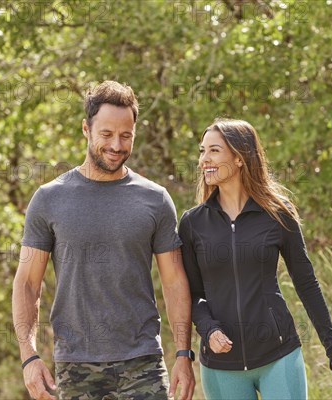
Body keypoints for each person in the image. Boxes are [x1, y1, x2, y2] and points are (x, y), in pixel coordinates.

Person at [12, 80, 196, 400]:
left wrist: (183, 354)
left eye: (126, 136)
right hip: (75, 364)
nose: (116, 145)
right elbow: (28, 282)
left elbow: (175, 281)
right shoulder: (49, 199)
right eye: (106, 134)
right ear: (86, 129)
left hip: (143, 363)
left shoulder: (155, 200)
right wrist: (28, 356)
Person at [178, 118, 332, 399]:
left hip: (278, 354)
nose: (203, 160)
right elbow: (193, 294)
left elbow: (307, 285)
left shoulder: (277, 215)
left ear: (239, 158)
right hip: (222, 364)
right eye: (202, 151)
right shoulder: (193, 223)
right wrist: (208, 329)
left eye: (213, 151)